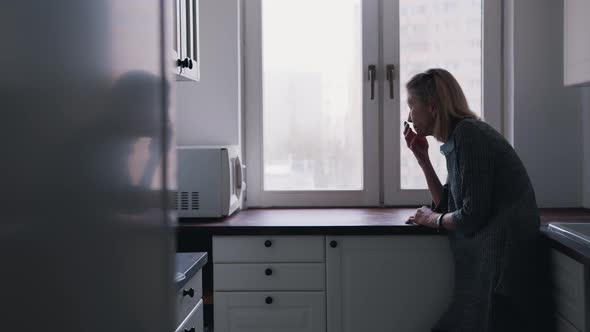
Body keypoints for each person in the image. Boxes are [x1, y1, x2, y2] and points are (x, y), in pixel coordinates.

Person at [403, 68, 551, 332]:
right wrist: (422, 158)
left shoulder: (469, 135)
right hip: (490, 266)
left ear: (432, 107)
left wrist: (432, 219)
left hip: (502, 270)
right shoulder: (457, 139)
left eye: (411, 106)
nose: (409, 116)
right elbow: (451, 204)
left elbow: (471, 216)